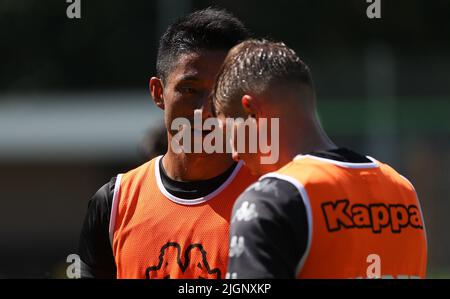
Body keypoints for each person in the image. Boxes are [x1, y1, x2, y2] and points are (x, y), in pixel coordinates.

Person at [211, 39, 427, 278]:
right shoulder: (403, 191)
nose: (235, 154)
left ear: (252, 112)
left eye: (230, 133)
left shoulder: (269, 201)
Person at [78, 8, 256, 279]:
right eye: (189, 90)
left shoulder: (275, 196)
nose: (205, 110)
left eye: (222, 89)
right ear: (158, 92)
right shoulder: (113, 204)